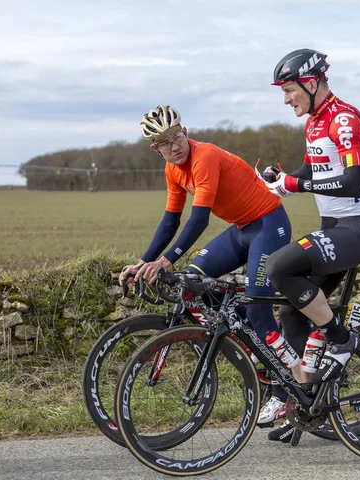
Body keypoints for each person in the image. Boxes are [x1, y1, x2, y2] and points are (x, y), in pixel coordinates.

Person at [119, 105, 292, 414]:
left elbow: (197, 221)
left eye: (176, 137)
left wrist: (166, 262)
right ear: (155, 150)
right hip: (241, 229)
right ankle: (256, 344)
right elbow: (170, 221)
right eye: (165, 143)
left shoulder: (205, 156)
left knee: (258, 310)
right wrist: (144, 262)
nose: (174, 147)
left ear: (185, 132)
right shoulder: (172, 169)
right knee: (193, 282)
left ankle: (283, 392)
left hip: (268, 225)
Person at [263, 49, 360, 442]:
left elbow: (351, 181)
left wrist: (297, 185)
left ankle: (340, 337)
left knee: (281, 267)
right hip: (334, 228)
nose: (286, 99)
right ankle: (309, 406)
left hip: (359, 228)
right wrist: (279, 180)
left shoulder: (345, 118)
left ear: (311, 83)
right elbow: (312, 171)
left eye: (289, 90)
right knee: (293, 315)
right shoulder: (315, 122)